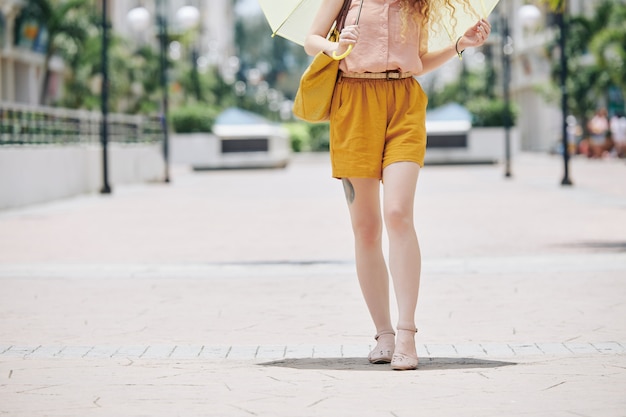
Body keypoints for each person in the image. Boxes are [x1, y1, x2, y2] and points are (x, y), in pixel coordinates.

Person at [304, 0, 491, 370]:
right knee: (367, 229)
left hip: (404, 103)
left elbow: (418, 63)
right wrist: (333, 47)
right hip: (353, 104)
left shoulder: (416, 3)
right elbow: (312, 39)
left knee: (398, 213)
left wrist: (460, 45)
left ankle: (407, 333)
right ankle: (384, 334)